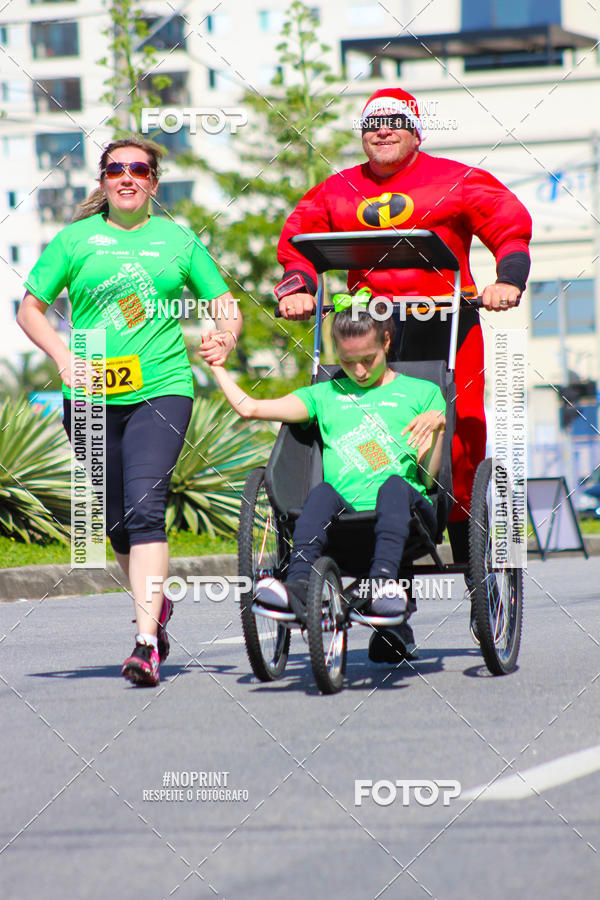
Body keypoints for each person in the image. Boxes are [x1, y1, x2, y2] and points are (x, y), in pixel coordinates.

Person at [274, 86, 532, 625]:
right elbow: (298, 239)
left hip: (446, 326)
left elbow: (508, 224)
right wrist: (297, 285)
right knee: (360, 439)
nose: (382, 131)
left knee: (462, 435)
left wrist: (507, 280)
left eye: (394, 122)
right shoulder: (338, 188)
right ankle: (371, 572)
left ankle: (469, 554)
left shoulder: (456, 178)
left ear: (416, 130)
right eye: (372, 124)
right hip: (365, 331)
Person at [17, 137, 241, 687]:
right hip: (90, 388)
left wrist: (226, 337)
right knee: (116, 523)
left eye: (138, 169)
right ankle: (156, 607)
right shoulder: (74, 241)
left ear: (153, 183)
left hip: (161, 389)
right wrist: (64, 356)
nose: (126, 177)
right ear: (103, 181)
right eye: (115, 169)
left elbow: (224, 305)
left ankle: (145, 643)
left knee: (145, 507)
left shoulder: (178, 240)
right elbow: (30, 311)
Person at [210, 304, 446, 663]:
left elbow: (428, 479)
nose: (359, 371)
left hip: (408, 516)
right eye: (348, 361)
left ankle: (382, 585)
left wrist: (439, 424)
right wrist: (217, 368)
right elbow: (251, 408)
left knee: (395, 485)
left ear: (386, 341)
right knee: (320, 493)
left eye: (368, 358)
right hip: (345, 521)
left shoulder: (423, 393)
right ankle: (298, 587)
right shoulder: (324, 395)